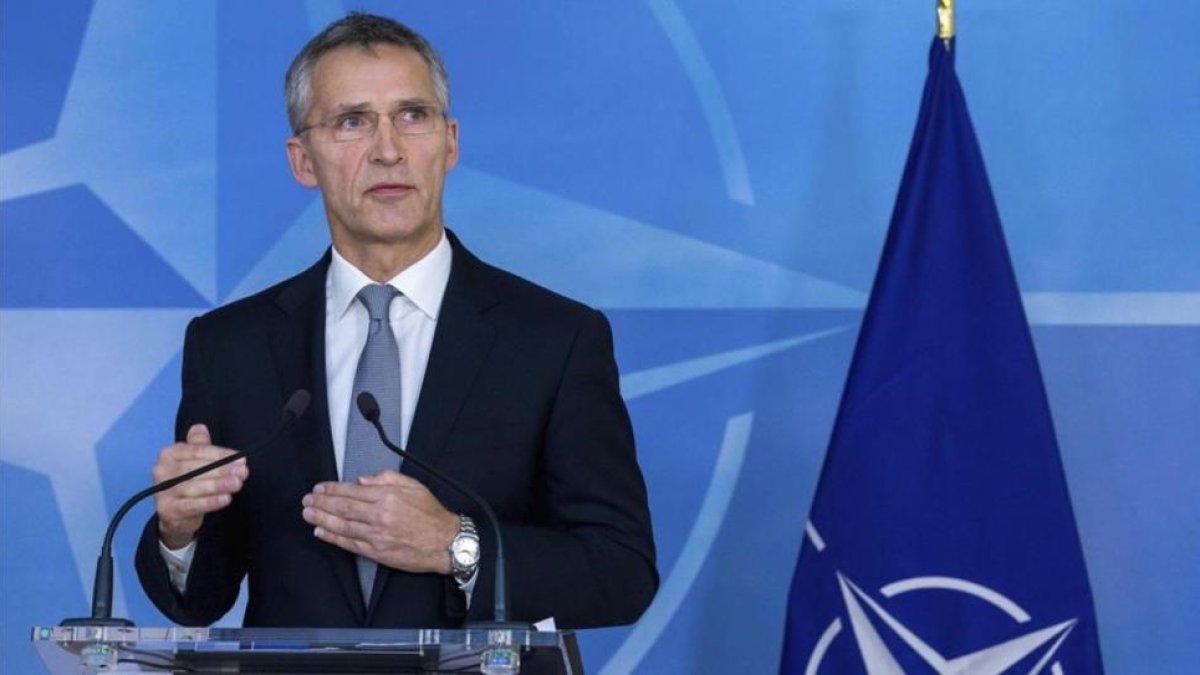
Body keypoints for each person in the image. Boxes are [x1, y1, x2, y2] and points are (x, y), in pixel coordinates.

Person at [135, 12, 657, 629]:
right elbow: (199, 599)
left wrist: (455, 546)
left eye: (412, 115)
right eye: (352, 122)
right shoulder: (231, 346)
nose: (388, 150)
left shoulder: (555, 339)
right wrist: (180, 526)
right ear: (303, 160)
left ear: (450, 142)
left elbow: (620, 572)